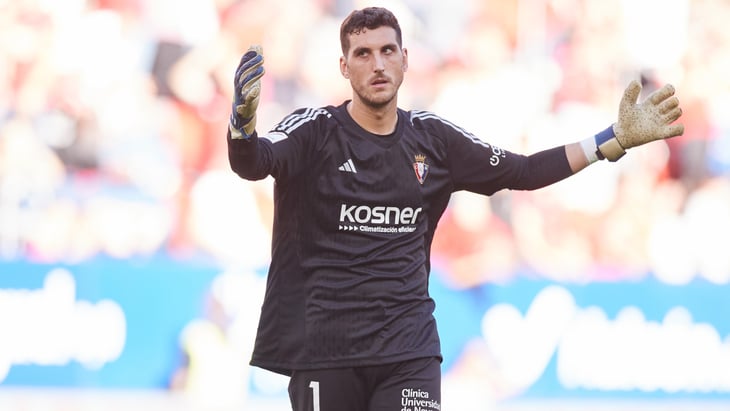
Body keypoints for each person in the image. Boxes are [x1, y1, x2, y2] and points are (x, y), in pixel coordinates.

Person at [226, 7, 683, 411]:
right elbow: (253, 162)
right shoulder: (314, 131)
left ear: (405, 60)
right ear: (344, 67)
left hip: (408, 351)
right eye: (363, 54)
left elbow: (523, 171)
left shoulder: (434, 139)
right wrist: (241, 127)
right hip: (325, 351)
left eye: (388, 51)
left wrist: (611, 140)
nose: (378, 64)